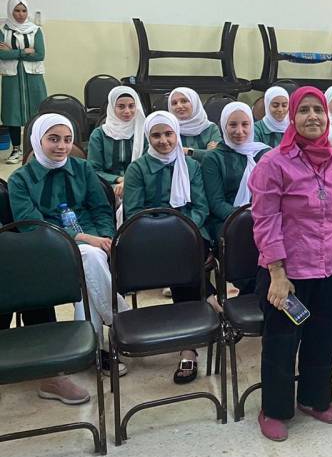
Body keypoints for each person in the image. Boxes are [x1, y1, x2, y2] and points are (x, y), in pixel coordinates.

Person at [249, 86, 332, 441]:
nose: (312, 117)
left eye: (318, 110)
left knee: (323, 337)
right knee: (282, 343)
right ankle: (274, 409)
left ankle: (314, 398)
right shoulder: (273, 163)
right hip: (287, 273)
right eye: (304, 110)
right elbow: (266, 221)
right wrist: (277, 274)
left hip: (328, 269)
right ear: (292, 117)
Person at [8, 114, 129, 403]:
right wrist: (85, 239)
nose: (61, 146)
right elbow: (31, 225)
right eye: (53, 139)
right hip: (47, 250)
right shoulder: (20, 179)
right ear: (37, 140)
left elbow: (101, 208)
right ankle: (120, 318)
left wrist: (105, 237)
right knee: (90, 257)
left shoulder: (82, 168)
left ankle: (91, 348)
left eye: (67, 139)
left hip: (94, 244)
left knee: (91, 264)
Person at [123, 110, 211, 384]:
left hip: (189, 231)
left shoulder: (191, 166)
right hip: (150, 236)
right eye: (156, 135)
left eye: (169, 134)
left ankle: (188, 346)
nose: (163, 141)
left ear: (177, 134)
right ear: (148, 137)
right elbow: (134, 212)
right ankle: (206, 305)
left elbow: (201, 207)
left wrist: (181, 230)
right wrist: (165, 232)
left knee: (186, 254)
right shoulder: (137, 168)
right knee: (178, 258)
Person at [202, 102, 271, 243]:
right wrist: (244, 217)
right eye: (233, 125)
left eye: (245, 124)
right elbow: (216, 203)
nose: (239, 131)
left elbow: (272, 196)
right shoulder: (213, 158)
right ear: (224, 126)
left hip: (264, 218)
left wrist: (261, 217)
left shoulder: (265, 154)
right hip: (227, 221)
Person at [1, 0, 47, 164]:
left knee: (37, 112)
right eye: (17, 10)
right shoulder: (3, 30)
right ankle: (16, 150)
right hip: (12, 77)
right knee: (11, 112)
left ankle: (36, 148)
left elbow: (40, 54)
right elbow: (1, 54)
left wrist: (12, 52)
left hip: (33, 77)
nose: (20, 14)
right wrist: (24, 51)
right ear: (10, 11)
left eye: (24, 10)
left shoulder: (35, 30)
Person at [87, 86, 146, 199]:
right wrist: (119, 180)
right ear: (112, 108)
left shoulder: (144, 132)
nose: (127, 111)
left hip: (138, 183)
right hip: (106, 185)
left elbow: (147, 166)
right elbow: (94, 170)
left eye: (131, 106)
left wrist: (129, 182)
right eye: (121, 106)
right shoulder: (99, 134)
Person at [168, 87, 221, 162]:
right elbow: (168, 156)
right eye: (174, 103)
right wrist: (205, 153)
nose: (179, 106)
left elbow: (217, 156)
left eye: (184, 101)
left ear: (195, 102)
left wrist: (187, 151)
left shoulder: (211, 128)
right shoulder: (168, 130)